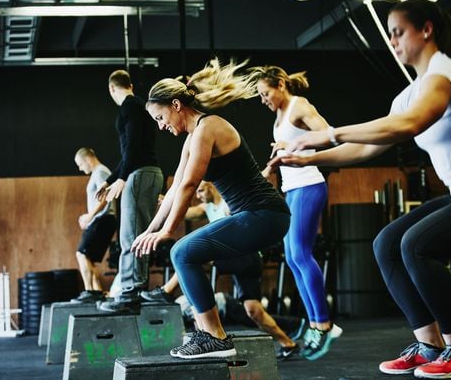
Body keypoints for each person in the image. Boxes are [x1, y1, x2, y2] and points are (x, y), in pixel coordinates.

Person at [269, 0, 451, 378]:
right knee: (386, 244)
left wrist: (326, 135)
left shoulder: (444, 74)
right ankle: (430, 344)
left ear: (426, 30)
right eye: (389, 33)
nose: (392, 40)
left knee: (417, 245)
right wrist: (307, 158)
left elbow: (409, 125)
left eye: (398, 32)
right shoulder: (408, 93)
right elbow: (363, 148)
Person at [132, 58, 291, 359]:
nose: (161, 125)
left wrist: (167, 232)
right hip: (255, 216)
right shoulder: (193, 137)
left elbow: (190, 186)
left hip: (264, 214)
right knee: (186, 253)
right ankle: (211, 334)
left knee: (181, 251)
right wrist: (150, 230)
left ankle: (214, 337)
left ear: (176, 104)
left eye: (160, 117)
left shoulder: (209, 127)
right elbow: (176, 189)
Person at [140, 181, 298, 360]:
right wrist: (166, 203)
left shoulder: (228, 202)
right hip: (232, 258)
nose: (198, 195)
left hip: (247, 258)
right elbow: (187, 211)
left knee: (189, 256)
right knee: (254, 311)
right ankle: (288, 343)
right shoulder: (205, 207)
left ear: (211, 186)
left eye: (201, 191)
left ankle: (167, 292)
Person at [247, 65, 342, 360]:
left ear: (280, 86)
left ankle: (323, 324)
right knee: (291, 257)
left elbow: (329, 135)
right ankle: (314, 322)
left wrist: (294, 144)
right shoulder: (278, 116)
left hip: (309, 184)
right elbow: (287, 150)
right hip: (292, 189)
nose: (263, 100)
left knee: (301, 254)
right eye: (260, 96)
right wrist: (274, 162)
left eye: (266, 93)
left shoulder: (299, 105)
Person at [96, 69, 164, 311]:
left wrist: (122, 178)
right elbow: (129, 153)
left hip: (140, 174)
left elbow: (133, 146)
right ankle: (135, 289)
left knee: (131, 236)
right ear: (131, 84)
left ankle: (129, 293)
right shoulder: (136, 105)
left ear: (112, 89)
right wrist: (111, 179)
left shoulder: (129, 106)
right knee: (137, 235)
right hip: (143, 172)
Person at [72, 147, 117, 303]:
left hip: (102, 219)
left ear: (88, 159)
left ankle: (89, 292)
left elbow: (105, 196)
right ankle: (96, 293)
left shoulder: (100, 172)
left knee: (81, 254)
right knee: (88, 258)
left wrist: (90, 216)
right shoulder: (98, 173)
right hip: (101, 219)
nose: (80, 168)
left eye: (80, 164)